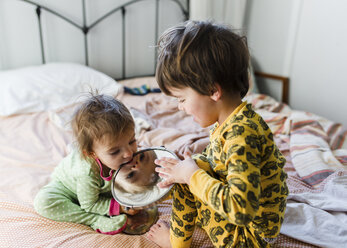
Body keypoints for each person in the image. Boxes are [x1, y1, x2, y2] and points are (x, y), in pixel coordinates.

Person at [146, 20, 288, 248]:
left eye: (182, 99)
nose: (179, 107)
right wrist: (192, 166)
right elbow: (221, 163)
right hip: (249, 220)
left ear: (213, 90)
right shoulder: (232, 120)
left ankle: (176, 244)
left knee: (187, 181)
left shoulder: (242, 136)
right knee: (190, 167)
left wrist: (191, 176)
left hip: (250, 237)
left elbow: (241, 211)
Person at [34, 93, 142, 234]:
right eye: (115, 152)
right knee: (43, 202)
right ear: (92, 153)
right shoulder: (87, 173)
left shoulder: (124, 154)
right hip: (69, 190)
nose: (129, 153)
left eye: (132, 141)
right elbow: (89, 204)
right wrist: (121, 207)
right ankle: (94, 220)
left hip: (100, 190)